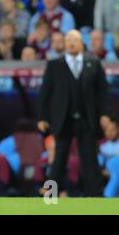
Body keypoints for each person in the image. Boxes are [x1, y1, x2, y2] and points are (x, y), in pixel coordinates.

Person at [38, 30, 108, 196]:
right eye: (67, 39)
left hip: (87, 119)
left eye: (74, 40)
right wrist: (42, 117)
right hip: (63, 120)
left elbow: (103, 92)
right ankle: (50, 195)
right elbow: (45, 94)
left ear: (81, 43)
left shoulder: (94, 63)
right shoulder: (54, 65)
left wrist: (104, 114)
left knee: (90, 159)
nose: (70, 43)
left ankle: (95, 197)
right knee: (58, 159)